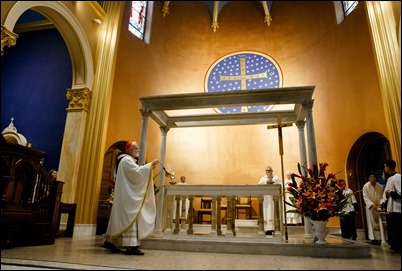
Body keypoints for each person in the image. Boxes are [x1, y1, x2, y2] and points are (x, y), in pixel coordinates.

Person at [102, 141, 159, 255]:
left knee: (121, 219)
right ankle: (130, 246)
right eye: (135, 148)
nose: (137, 150)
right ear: (128, 150)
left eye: (138, 148)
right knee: (130, 217)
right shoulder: (126, 160)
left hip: (126, 195)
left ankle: (110, 241)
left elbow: (135, 173)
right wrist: (150, 165)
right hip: (128, 196)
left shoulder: (126, 160)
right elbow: (137, 173)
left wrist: (147, 167)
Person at [381, 159, 401, 253]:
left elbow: (400, 193)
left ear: (388, 167)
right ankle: (394, 245)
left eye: (385, 166)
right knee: (393, 228)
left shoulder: (397, 177)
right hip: (391, 208)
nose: (384, 168)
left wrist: (391, 193)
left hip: (397, 207)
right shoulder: (390, 178)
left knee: (397, 227)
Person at [258, 165, 281, 235]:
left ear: (272, 171)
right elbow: (259, 186)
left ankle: (275, 227)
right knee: (267, 213)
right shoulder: (262, 179)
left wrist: (271, 181)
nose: (268, 172)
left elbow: (280, 185)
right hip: (266, 200)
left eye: (269, 170)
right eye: (267, 171)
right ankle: (267, 228)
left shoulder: (276, 178)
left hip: (274, 199)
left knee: (273, 212)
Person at [362, 173, 383, 245]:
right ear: (369, 179)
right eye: (371, 179)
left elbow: (382, 196)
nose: (373, 181)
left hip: (378, 207)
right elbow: (365, 197)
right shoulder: (366, 186)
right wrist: (372, 204)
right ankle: (373, 238)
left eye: (374, 179)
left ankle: (381, 237)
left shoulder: (380, 186)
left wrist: (380, 203)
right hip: (370, 208)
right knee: (372, 223)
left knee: (380, 223)